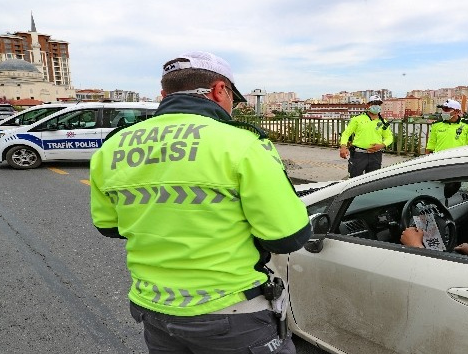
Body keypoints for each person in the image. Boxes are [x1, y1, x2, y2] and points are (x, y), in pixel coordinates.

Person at [90, 51, 311, 353]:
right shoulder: (242, 144)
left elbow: (108, 227)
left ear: (163, 93)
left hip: (154, 309)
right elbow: (288, 236)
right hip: (231, 313)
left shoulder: (112, 147)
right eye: (233, 96)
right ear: (220, 89)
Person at [339, 95, 394, 178]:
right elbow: (346, 133)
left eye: (379, 104)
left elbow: (389, 137)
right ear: (368, 105)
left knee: (372, 180)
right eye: (374, 103)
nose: (377, 106)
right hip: (358, 155)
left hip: (376, 155)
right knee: (354, 179)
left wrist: (382, 145)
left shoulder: (383, 122)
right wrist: (343, 146)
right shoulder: (357, 119)